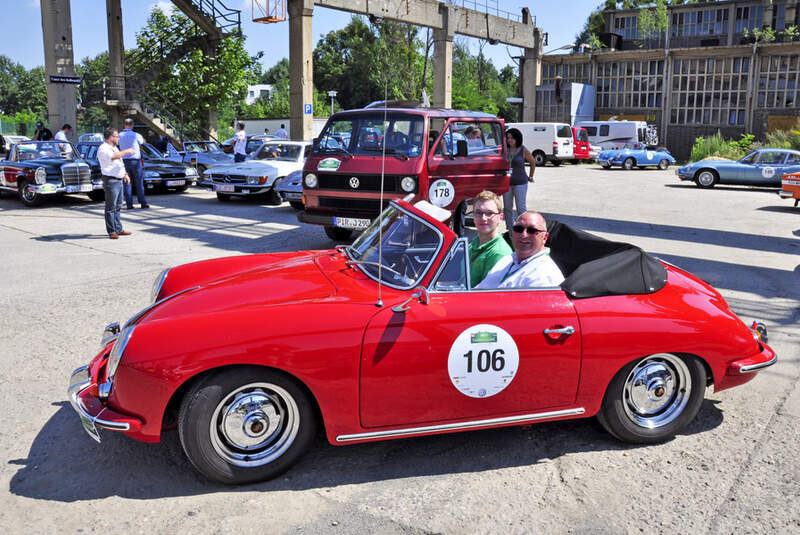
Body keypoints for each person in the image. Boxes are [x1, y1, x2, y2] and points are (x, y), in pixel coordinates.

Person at [476, 211, 564, 289]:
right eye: (519, 229)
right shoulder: (507, 260)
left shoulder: (544, 275)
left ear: (545, 237)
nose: (524, 235)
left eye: (532, 230)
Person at [468, 190, 512, 287]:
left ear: (500, 217)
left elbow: (484, 295)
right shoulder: (474, 243)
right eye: (478, 212)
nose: (483, 218)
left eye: (489, 213)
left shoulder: (498, 254)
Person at [97, 128, 134, 239]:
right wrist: (126, 151)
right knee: (111, 207)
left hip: (118, 179)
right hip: (110, 180)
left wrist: (125, 174)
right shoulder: (103, 148)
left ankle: (118, 228)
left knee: (118, 206)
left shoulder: (114, 148)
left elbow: (119, 163)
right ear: (111, 137)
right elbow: (113, 157)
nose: (118, 138)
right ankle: (112, 230)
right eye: (116, 136)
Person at [503, 128, 536, 230]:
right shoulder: (504, 149)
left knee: (521, 208)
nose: (509, 140)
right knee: (507, 208)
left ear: (517, 138)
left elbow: (532, 162)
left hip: (520, 182)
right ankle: (509, 229)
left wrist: (531, 176)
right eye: (508, 137)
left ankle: (522, 229)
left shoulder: (523, 149)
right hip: (507, 183)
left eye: (512, 138)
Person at [118, 118, 149, 209]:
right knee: (139, 182)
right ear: (132, 125)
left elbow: (116, 145)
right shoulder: (136, 135)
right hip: (135, 161)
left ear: (124, 125)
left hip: (124, 161)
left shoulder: (119, 135)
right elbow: (144, 142)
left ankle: (129, 204)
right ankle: (143, 202)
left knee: (127, 182)